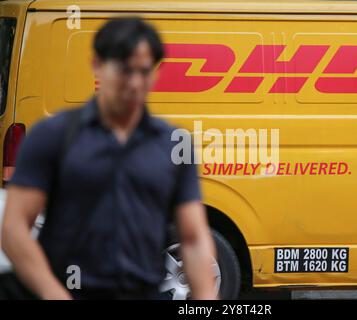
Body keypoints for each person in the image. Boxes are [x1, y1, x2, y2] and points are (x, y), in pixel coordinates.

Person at [1, 17, 217, 300]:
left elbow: (193, 238)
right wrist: (53, 294)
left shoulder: (174, 143)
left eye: (144, 71)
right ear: (97, 65)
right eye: (125, 70)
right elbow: (15, 228)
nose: (135, 82)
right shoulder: (52, 136)